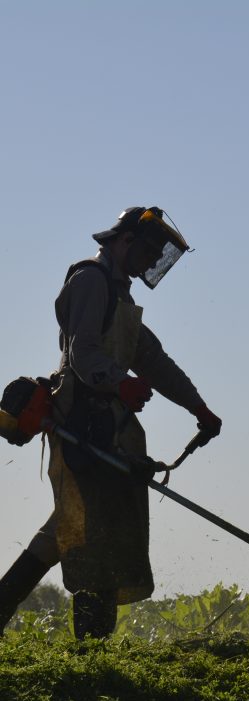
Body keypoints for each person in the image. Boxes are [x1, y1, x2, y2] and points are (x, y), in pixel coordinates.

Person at [0, 206, 222, 638]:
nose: (150, 260)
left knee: (69, 530)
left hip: (110, 433)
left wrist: (198, 407)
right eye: (148, 250)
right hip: (82, 429)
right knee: (89, 536)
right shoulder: (89, 281)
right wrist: (120, 383)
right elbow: (83, 354)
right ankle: (91, 647)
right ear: (123, 242)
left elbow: (154, 361)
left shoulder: (122, 297)